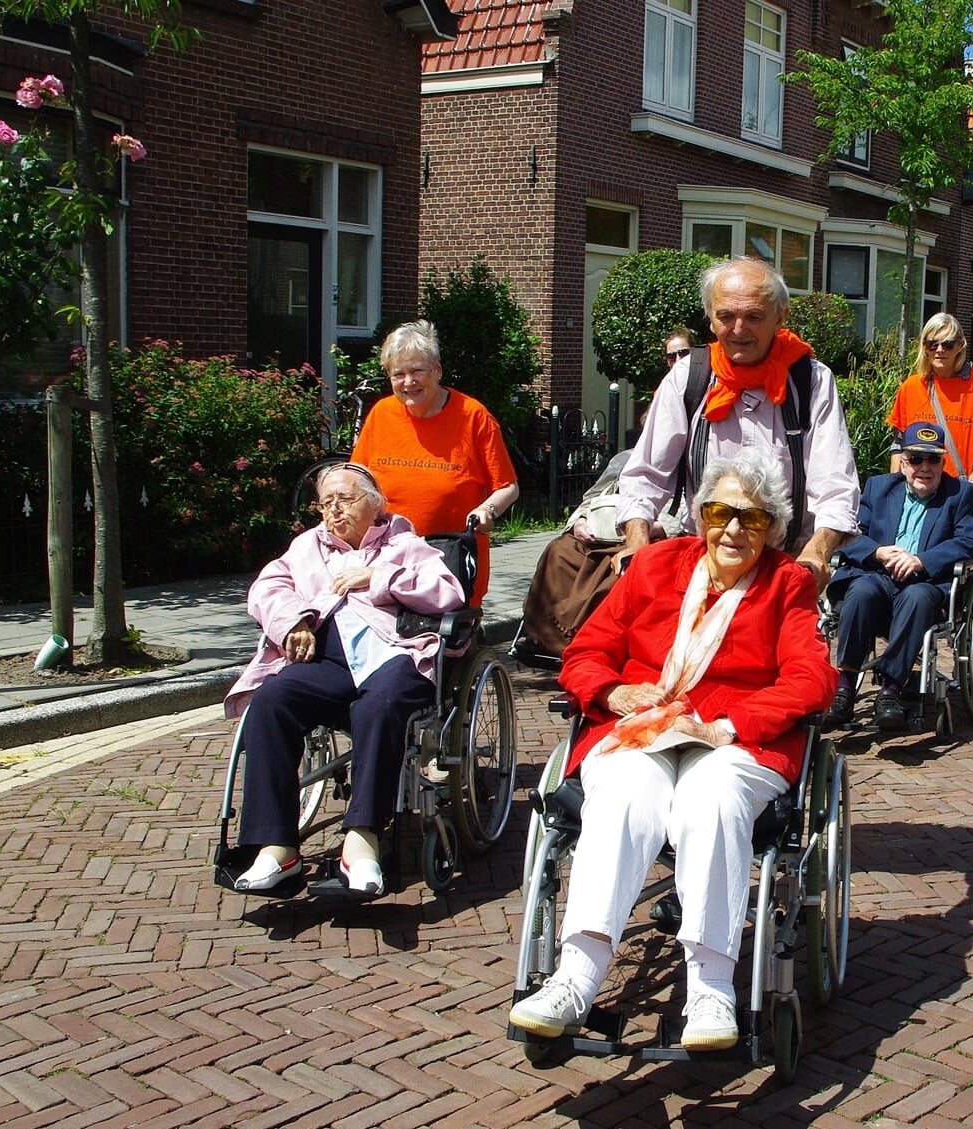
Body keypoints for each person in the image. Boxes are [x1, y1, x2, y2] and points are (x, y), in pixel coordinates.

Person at [508, 448, 835, 1051]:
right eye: (720, 512)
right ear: (700, 515)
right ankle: (576, 976)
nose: (734, 529)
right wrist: (614, 689)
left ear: (774, 530)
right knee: (625, 794)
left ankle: (711, 987)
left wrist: (729, 725)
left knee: (709, 799)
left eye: (753, 518)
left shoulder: (786, 584)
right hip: (642, 728)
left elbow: (811, 679)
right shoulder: (656, 564)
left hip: (737, 740)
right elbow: (587, 654)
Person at [224, 463, 467, 896]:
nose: (334, 511)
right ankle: (277, 847)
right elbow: (267, 588)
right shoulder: (307, 547)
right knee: (272, 699)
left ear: (375, 504)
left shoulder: (404, 543)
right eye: (326, 502)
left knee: (381, 706)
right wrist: (292, 623)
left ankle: (362, 842)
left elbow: (447, 592)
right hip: (329, 659)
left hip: (394, 653)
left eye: (345, 499)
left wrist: (380, 577)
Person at [615, 257, 860, 590]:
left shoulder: (811, 381)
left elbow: (835, 486)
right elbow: (646, 475)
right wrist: (636, 539)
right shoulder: (688, 378)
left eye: (754, 317)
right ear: (711, 319)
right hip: (703, 563)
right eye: (726, 316)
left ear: (780, 317)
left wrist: (816, 551)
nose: (739, 330)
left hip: (783, 567)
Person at [350, 320, 519, 604]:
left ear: (437, 370)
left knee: (450, 643)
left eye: (418, 371)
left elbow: (508, 486)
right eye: (398, 374)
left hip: (450, 558)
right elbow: (358, 480)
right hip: (387, 556)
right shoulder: (381, 414)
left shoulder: (473, 416)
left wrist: (487, 509)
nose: (408, 382)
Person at [826, 423, 973, 731]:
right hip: (878, 576)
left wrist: (921, 561)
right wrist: (879, 552)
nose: (925, 467)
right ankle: (844, 688)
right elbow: (852, 534)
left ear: (943, 463)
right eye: (916, 459)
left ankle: (891, 691)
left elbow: (968, 541)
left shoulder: (959, 493)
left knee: (917, 597)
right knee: (861, 591)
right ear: (904, 461)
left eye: (933, 460)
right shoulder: (879, 487)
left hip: (924, 582)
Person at [886, 313, 973, 493]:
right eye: (932, 344)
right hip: (917, 490)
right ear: (925, 348)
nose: (940, 350)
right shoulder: (911, 386)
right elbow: (898, 444)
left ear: (960, 345)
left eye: (947, 344)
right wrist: (893, 486)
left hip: (959, 489)